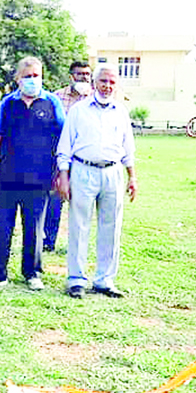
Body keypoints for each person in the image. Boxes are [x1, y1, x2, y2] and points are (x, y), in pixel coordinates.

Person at [0, 57, 65, 291]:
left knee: (34, 227)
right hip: (7, 177)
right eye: (27, 76)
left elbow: (62, 139)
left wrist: (62, 173)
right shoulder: (7, 104)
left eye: (36, 76)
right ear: (17, 78)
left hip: (40, 178)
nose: (32, 80)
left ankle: (32, 273)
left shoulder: (52, 103)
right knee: (1, 226)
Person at [56, 63, 137, 299]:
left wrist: (132, 176)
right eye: (103, 81)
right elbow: (65, 146)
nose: (107, 86)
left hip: (112, 173)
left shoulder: (121, 112)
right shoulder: (78, 111)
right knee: (79, 226)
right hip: (83, 170)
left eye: (112, 82)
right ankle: (76, 280)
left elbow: (127, 147)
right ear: (94, 84)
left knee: (111, 228)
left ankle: (104, 280)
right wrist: (63, 175)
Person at [45, 61, 92, 253]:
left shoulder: (94, 99)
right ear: (71, 76)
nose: (84, 78)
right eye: (80, 74)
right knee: (55, 200)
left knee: (81, 202)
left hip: (84, 158)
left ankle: (77, 244)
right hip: (59, 157)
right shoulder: (56, 97)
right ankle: (48, 240)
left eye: (87, 75)